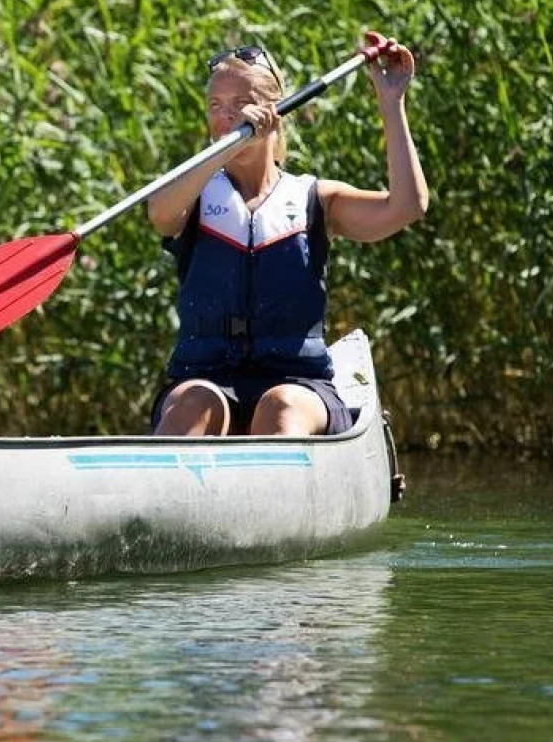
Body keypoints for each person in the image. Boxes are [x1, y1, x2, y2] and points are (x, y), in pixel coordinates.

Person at [145, 31, 427, 437]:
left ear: (273, 112)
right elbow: (160, 214)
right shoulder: (192, 194)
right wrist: (227, 146)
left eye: (240, 105)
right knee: (193, 405)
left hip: (299, 384)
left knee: (281, 407)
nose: (225, 117)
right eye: (216, 106)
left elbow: (406, 206)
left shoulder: (316, 198)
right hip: (205, 377)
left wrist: (391, 100)